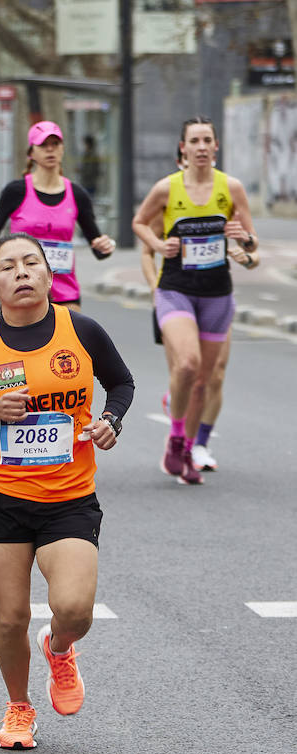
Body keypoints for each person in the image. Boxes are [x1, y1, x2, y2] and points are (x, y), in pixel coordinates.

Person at [0, 234, 134, 749]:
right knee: (10, 618)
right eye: (8, 267)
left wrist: (111, 419)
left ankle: (60, 646)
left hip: (68, 497)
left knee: (74, 608)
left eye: (32, 263)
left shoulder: (83, 330)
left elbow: (122, 383)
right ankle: (19, 706)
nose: (21, 273)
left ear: (51, 277)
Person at [131, 115, 257, 485]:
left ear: (216, 146)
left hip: (217, 293)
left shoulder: (231, 188)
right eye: (194, 141)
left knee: (204, 380)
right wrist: (158, 245)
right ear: (183, 148)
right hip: (175, 289)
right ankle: (175, 439)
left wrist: (243, 240)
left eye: (207, 140)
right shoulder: (167, 189)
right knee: (187, 364)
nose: (201, 147)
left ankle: (188, 448)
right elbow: (140, 222)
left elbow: (252, 243)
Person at [139, 222, 258, 473]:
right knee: (185, 371)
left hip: (215, 299)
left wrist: (246, 257)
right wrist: (155, 289)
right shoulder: (170, 202)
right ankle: (179, 414)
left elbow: (254, 254)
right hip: (175, 300)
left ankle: (199, 444)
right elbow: (146, 252)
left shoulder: (223, 205)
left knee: (215, 375)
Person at [0, 121, 115, 309]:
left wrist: (105, 246)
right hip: (23, 290)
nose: (50, 150)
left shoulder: (77, 195)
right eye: (43, 145)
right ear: (31, 153)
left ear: (62, 149)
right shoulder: (16, 191)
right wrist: (5, 262)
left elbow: (97, 246)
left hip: (65, 293)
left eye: (55, 144)